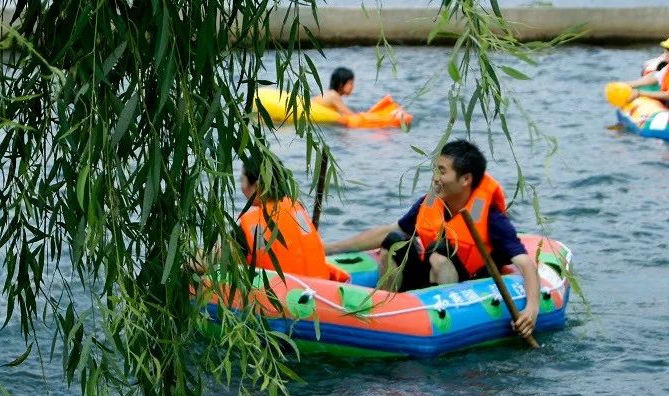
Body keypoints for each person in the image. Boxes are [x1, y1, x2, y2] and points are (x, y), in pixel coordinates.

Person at [323, 139, 541, 338]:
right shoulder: (429, 203)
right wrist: (329, 248)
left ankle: (430, 326)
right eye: (435, 169)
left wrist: (531, 308)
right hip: (423, 282)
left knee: (440, 251)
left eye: (442, 171)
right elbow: (390, 230)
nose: (435, 178)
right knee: (393, 241)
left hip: (459, 292)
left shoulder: (492, 219)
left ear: (465, 179)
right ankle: (383, 308)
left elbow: (526, 264)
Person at [231, 156, 348, 281]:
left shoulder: (249, 224)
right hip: (321, 286)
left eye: (242, 180)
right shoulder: (297, 208)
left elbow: (221, 261)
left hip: (281, 295)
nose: (242, 187)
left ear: (257, 186)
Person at [622, 38, 669, 103]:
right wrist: (626, 85)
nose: (665, 52)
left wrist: (639, 93)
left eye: (668, 50)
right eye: (666, 49)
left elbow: (667, 95)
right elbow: (655, 76)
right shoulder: (667, 68)